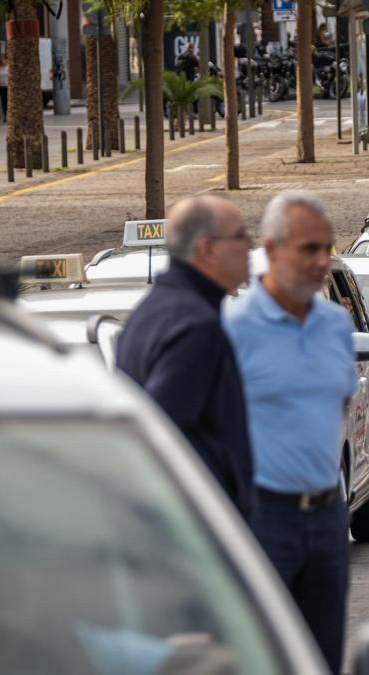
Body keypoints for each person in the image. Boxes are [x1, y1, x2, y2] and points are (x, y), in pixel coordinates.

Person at [225, 191, 358, 675]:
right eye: (309, 249)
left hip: (327, 517)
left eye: (328, 248)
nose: (323, 261)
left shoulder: (335, 325)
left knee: (323, 656)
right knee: (264, 657)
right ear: (272, 249)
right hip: (264, 519)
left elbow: (339, 400)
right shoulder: (233, 328)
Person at [115, 195, 255, 517]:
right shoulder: (195, 327)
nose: (250, 245)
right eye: (240, 236)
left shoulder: (153, 312)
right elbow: (161, 432)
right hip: (196, 521)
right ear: (207, 250)